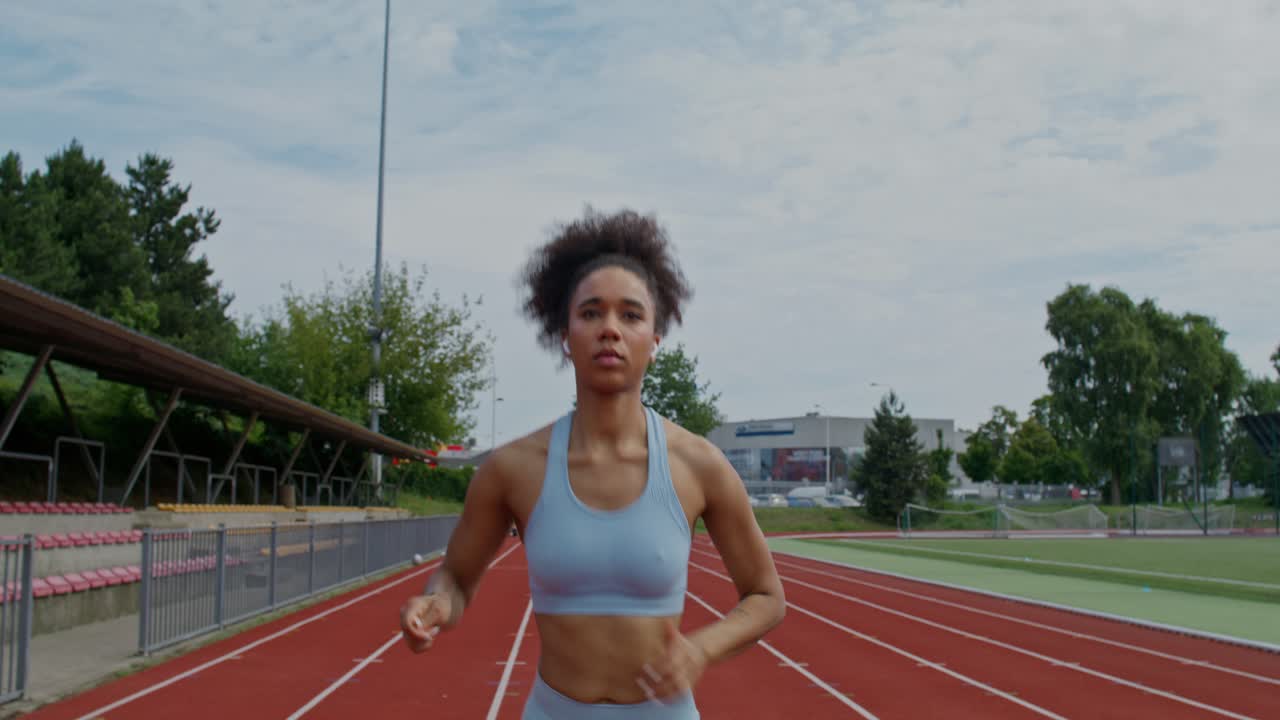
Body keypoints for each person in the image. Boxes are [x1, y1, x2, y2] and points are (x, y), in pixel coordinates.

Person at [399, 208, 785, 719]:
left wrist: (701, 649)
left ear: (655, 340)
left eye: (630, 315)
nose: (610, 329)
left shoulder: (698, 465)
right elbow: (457, 578)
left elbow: (765, 596)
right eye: (590, 313)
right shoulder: (513, 468)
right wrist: (437, 605)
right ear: (565, 334)